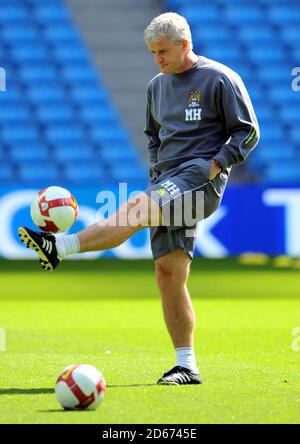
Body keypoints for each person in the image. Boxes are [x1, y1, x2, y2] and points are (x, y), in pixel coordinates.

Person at [18, 12, 260, 385]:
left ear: (185, 44)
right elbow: (153, 135)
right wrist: (158, 170)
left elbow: (247, 133)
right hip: (167, 179)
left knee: (133, 210)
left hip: (199, 177)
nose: (158, 59)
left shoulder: (220, 78)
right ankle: (186, 366)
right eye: (152, 53)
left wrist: (215, 165)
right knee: (169, 274)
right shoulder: (156, 86)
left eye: (163, 51)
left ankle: (59, 247)